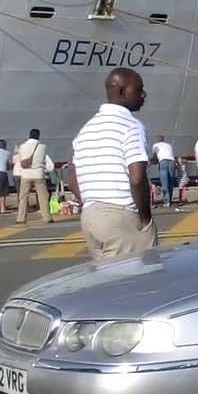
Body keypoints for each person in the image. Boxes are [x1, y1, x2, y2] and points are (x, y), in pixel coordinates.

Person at [69, 68, 156, 259]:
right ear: (122, 92)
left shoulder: (87, 129)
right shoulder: (131, 126)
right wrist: (145, 218)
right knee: (136, 283)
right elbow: (137, 178)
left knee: (108, 282)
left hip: (90, 217)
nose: (144, 95)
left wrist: (89, 203)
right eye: (139, 90)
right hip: (121, 216)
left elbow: (72, 176)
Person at [15, 129, 54, 225]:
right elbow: (49, 164)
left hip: (25, 174)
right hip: (38, 174)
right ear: (38, 136)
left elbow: (20, 160)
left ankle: (21, 218)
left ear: (29, 135)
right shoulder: (42, 147)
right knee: (43, 197)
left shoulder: (22, 147)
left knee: (23, 197)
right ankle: (47, 217)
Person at [151, 136, 177, 209]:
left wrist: (152, 161)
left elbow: (154, 157)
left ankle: (166, 202)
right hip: (172, 161)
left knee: (164, 182)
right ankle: (170, 201)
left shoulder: (155, 145)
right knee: (170, 181)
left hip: (163, 162)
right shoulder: (169, 145)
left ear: (157, 140)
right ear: (163, 140)